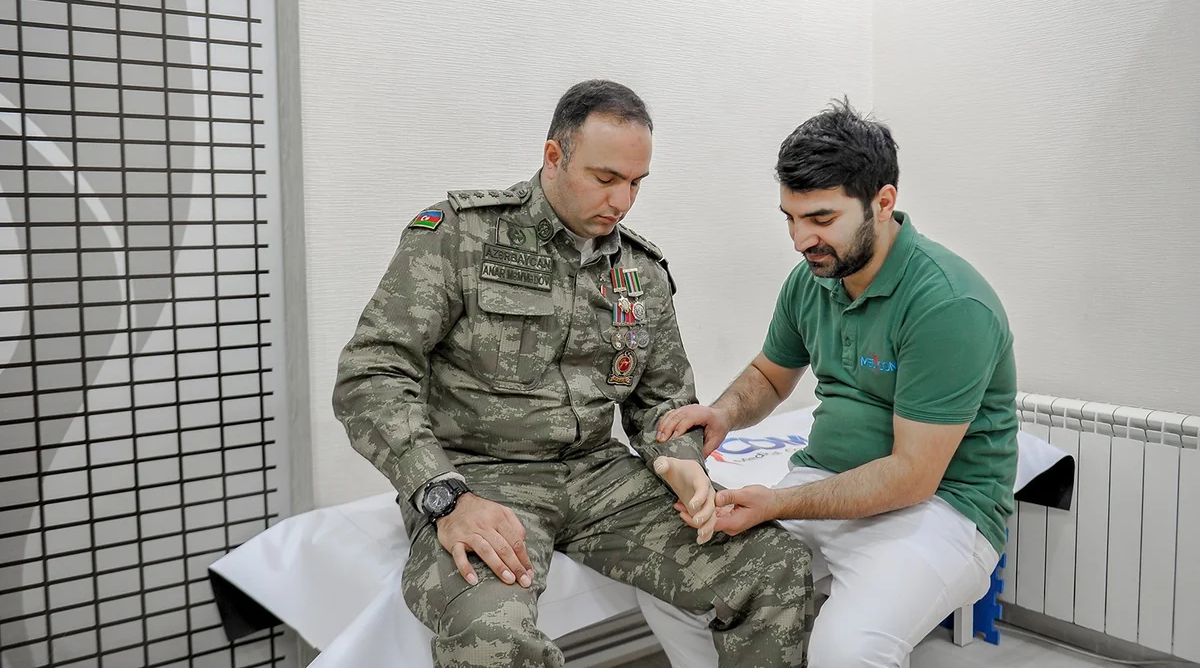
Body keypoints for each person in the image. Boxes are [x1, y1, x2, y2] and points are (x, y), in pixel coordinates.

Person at [332, 79, 814, 668]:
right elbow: (372, 373)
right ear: (554, 156)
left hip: (599, 475)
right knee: (490, 635)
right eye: (605, 178)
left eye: (636, 183)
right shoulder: (461, 236)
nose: (621, 201)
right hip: (479, 478)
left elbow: (662, 399)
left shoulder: (640, 269)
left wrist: (680, 460)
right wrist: (443, 495)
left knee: (774, 566)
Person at [643, 99, 1018, 668]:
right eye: (790, 218)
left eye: (821, 219)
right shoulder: (813, 279)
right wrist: (722, 414)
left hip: (942, 508)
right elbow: (769, 375)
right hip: (823, 483)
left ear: (883, 203)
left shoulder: (947, 304)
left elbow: (912, 476)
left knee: (846, 651)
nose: (800, 239)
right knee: (672, 586)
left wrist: (777, 502)